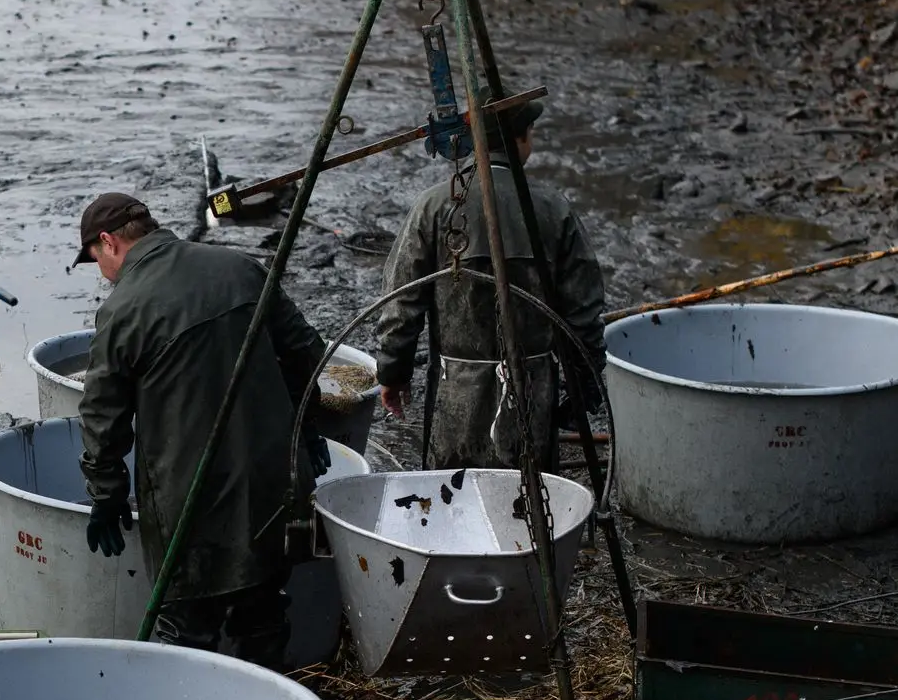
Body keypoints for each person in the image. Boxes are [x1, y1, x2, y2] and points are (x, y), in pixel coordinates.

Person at [74, 192, 328, 667]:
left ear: (107, 242)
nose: (102, 274)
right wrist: (306, 431)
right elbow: (306, 353)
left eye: (94, 260)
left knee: (186, 628)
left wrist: (105, 497)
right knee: (264, 609)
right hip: (272, 481)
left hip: (189, 499)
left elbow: (103, 419)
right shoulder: (239, 266)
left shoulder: (123, 308)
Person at [376, 101, 605, 469]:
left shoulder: (433, 207)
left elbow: (401, 305)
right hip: (533, 387)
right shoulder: (553, 209)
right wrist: (585, 386)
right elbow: (584, 312)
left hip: (456, 389)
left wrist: (392, 373)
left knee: (451, 492)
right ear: (520, 138)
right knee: (531, 498)